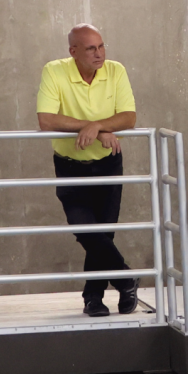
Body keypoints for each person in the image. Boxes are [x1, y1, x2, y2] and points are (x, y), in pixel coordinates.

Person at [37, 24, 140, 317]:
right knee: (85, 229)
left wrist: (98, 126)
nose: (99, 54)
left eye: (102, 46)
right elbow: (46, 119)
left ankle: (93, 298)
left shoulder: (116, 70)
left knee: (103, 233)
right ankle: (126, 278)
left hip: (108, 162)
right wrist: (97, 127)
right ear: (73, 52)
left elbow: (129, 117)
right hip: (70, 166)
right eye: (91, 49)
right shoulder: (54, 71)